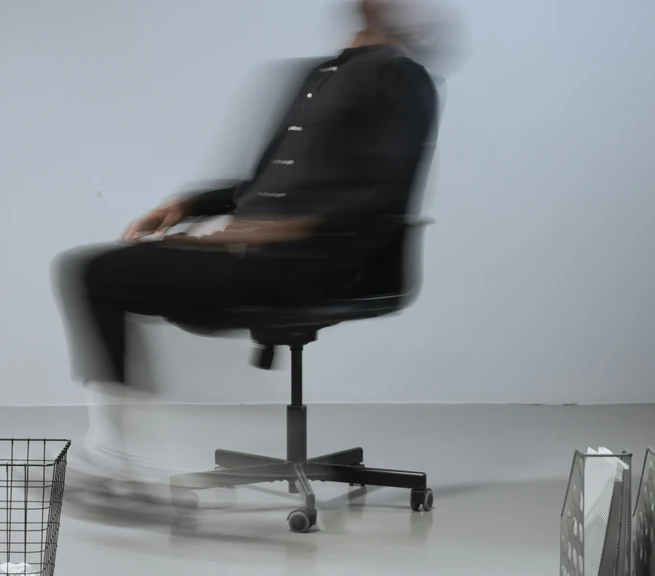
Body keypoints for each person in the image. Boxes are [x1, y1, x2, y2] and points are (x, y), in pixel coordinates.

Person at [53, 0, 445, 492]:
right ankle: (117, 456)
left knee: (98, 273)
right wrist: (189, 204)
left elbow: (380, 197)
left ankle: (121, 461)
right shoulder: (319, 74)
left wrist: (267, 231)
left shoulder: (401, 78)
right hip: (264, 254)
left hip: (327, 265)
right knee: (99, 269)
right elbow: (263, 186)